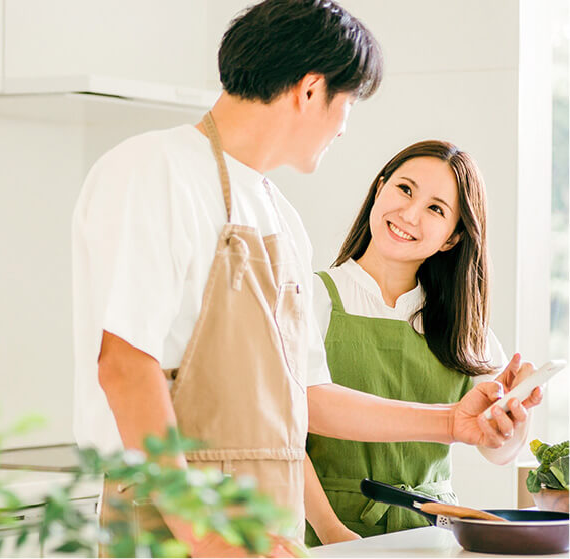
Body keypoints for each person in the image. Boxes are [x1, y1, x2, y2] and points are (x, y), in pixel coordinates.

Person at [71, 1, 541, 556]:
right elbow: (126, 367)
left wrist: (451, 422)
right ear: (312, 90)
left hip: (268, 513)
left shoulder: (282, 219)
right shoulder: (154, 169)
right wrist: (206, 534)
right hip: (175, 513)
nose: (344, 126)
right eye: (349, 103)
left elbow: (307, 395)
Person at [304, 140, 539, 546]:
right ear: (379, 189)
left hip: (434, 535)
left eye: (436, 208)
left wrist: (513, 425)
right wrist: (332, 532)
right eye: (405, 189)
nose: (410, 214)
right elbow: (281, 432)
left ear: (452, 238)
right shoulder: (310, 297)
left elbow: (497, 452)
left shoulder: (462, 324)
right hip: (329, 532)